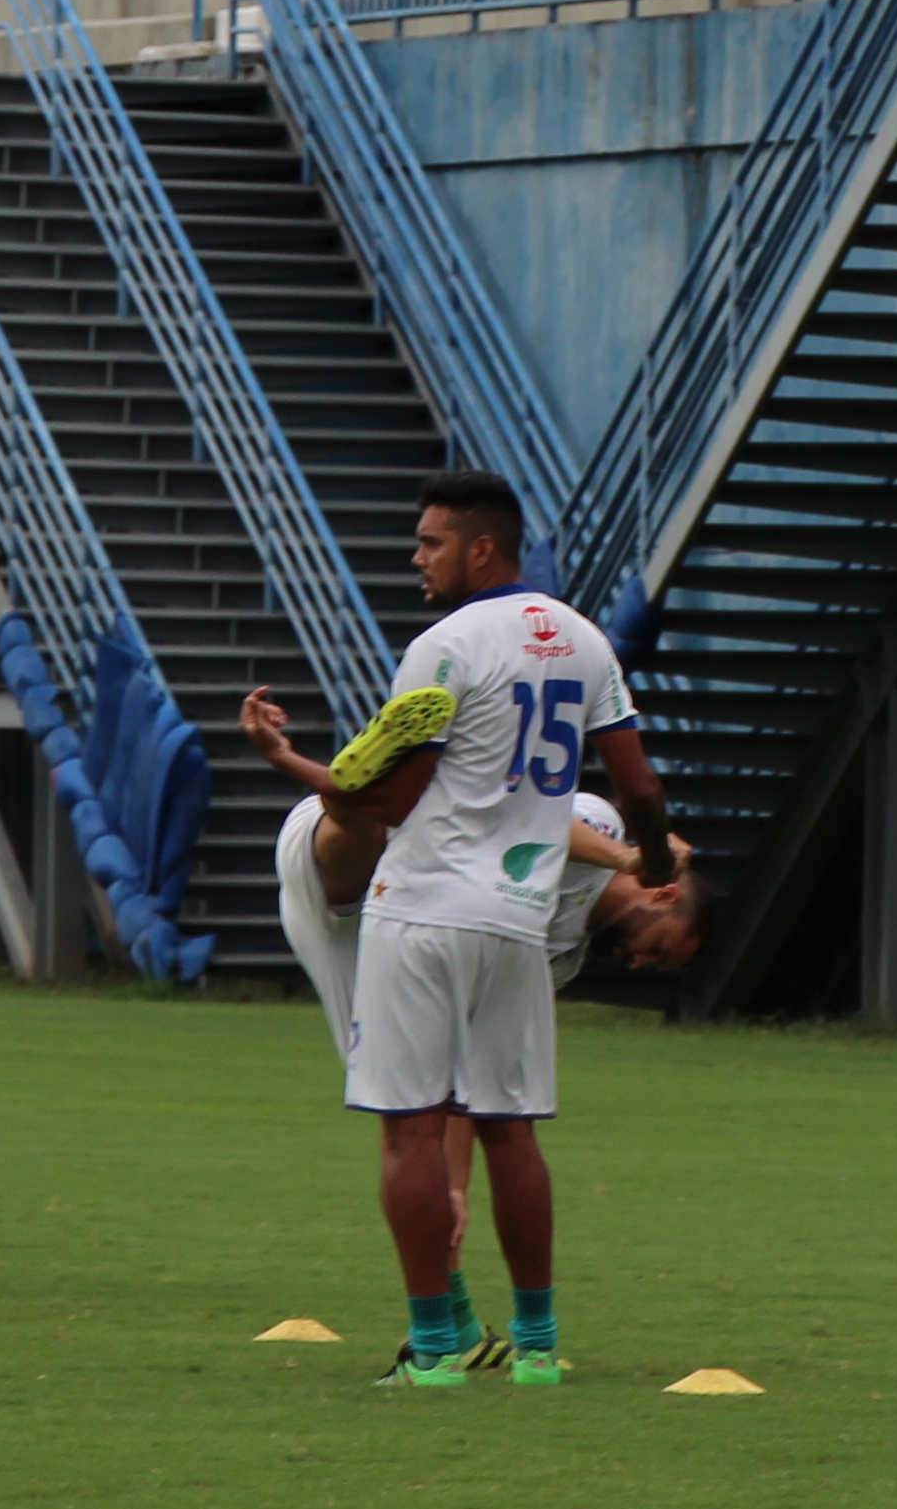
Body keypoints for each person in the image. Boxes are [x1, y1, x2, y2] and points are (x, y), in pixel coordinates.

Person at [258, 469, 673, 1390]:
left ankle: (436, 1353)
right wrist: (659, 860)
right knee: (511, 1131)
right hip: (519, 923)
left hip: (423, 910)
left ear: (482, 549)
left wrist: (286, 758)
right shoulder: (587, 643)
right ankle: (537, 1349)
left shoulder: (444, 646)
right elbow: (637, 788)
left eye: (431, 542)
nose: (419, 559)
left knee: (411, 1134)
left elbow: (394, 796)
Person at [251, 735, 703, 1368]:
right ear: (664, 897)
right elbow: (535, 818)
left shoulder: (562, 956)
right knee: (359, 850)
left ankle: (458, 1331)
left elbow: (468, 1067)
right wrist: (633, 857)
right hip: (368, 876)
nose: (636, 961)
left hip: (389, 936)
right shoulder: (604, 827)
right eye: (657, 947)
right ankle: (352, 797)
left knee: (421, 1116)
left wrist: (457, 1186)